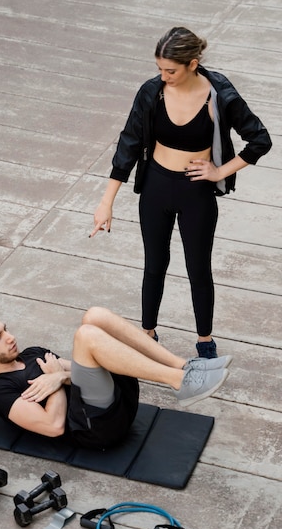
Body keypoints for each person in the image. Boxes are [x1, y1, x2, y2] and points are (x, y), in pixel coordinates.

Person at [91, 26, 272, 358]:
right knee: (154, 265)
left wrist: (220, 171)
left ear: (193, 63)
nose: (164, 76)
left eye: (170, 70)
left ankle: (205, 342)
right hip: (157, 187)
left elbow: (260, 139)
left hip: (196, 193)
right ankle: (147, 335)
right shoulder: (152, 91)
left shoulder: (220, 94)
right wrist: (107, 202)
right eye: (160, 69)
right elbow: (128, 143)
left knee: (198, 268)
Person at [0, 306, 232, 451]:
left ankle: (185, 366)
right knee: (86, 336)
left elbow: (79, 370)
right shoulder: (0, 393)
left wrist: (59, 377)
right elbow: (52, 426)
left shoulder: (32, 353)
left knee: (94, 316)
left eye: (5, 330)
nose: (10, 337)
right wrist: (55, 383)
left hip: (114, 402)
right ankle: (179, 381)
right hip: (95, 429)